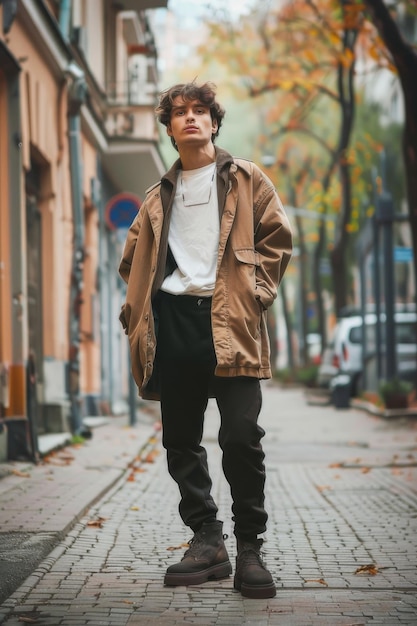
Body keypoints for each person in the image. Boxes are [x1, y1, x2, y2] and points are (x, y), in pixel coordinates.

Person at [119, 81, 292, 599]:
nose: (191, 118)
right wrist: (137, 314)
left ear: (214, 122)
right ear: (170, 129)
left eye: (200, 111)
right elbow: (131, 261)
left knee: (240, 438)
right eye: (180, 112)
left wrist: (253, 293)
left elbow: (277, 240)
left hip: (230, 324)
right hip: (174, 324)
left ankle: (250, 548)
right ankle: (207, 539)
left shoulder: (246, 179)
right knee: (180, 442)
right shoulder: (156, 197)